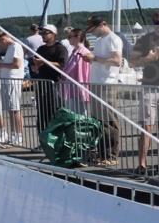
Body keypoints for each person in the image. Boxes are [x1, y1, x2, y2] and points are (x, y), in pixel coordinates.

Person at [82, 15, 123, 165]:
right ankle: (102, 153)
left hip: (107, 83)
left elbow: (117, 60)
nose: (92, 32)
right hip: (97, 83)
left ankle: (111, 155)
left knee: (109, 120)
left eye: (94, 29)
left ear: (102, 25)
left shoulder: (113, 39)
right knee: (98, 121)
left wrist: (94, 58)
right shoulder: (100, 41)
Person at [131, 12, 159, 177]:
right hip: (149, 87)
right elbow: (133, 62)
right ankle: (142, 163)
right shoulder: (145, 40)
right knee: (146, 127)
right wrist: (149, 58)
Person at [30, 24, 68, 134]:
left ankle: (55, 139)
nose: (43, 35)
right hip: (42, 84)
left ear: (53, 34)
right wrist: (36, 66)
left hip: (54, 84)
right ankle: (42, 139)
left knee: (54, 112)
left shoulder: (60, 48)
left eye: (46, 33)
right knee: (42, 113)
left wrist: (44, 62)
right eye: (42, 33)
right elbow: (34, 64)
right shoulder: (41, 49)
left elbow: (62, 64)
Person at [0, 30, 24, 145]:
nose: (2, 43)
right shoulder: (10, 48)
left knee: (15, 109)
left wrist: (0, 65)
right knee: (11, 110)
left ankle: (19, 135)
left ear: (6, 37)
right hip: (7, 80)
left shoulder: (16, 46)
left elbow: (17, 64)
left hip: (13, 80)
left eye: (2, 40)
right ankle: (13, 134)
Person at [61, 28, 92, 115]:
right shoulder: (75, 51)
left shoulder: (83, 52)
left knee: (80, 114)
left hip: (78, 89)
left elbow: (84, 73)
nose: (68, 39)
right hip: (72, 88)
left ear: (77, 37)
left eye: (70, 36)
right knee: (73, 113)